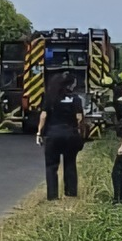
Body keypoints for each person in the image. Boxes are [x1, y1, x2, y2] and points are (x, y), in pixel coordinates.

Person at [36, 72, 84, 200]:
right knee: (70, 164)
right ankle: (71, 193)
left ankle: (52, 196)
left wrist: (39, 132)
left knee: (51, 166)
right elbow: (79, 118)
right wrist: (79, 131)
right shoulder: (75, 98)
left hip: (53, 134)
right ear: (69, 85)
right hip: (70, 134)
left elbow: (43, 116)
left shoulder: (50, 97)